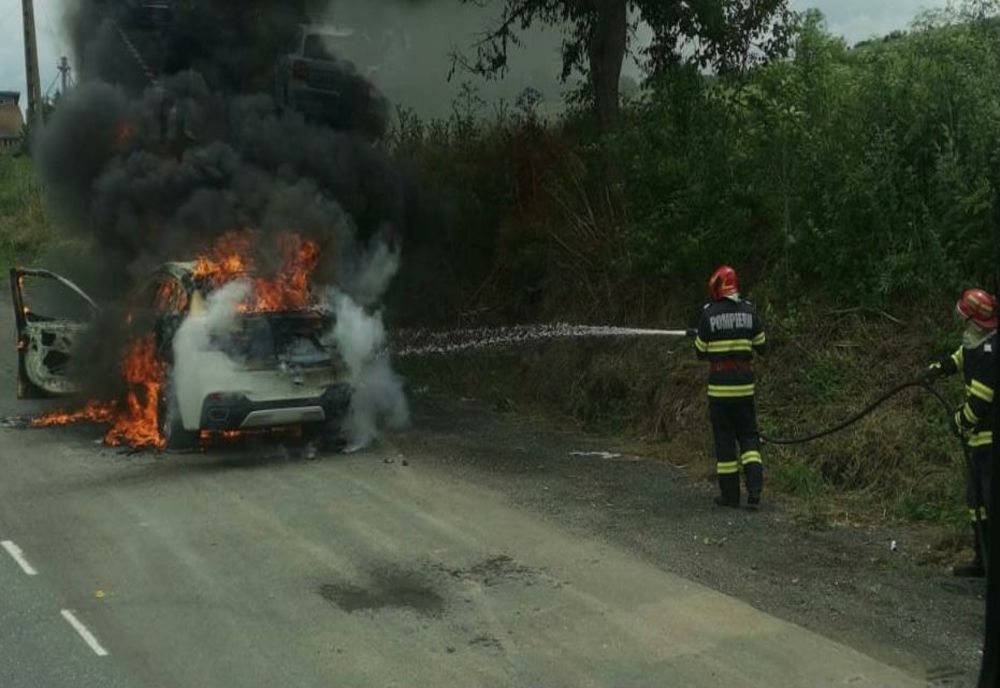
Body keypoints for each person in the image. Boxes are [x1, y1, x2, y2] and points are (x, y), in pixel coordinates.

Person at [921, 288, 997, 577]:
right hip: (979, 442)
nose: (961, 323)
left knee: (989, 503)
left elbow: (979, 403)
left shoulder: (991, 353)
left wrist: (959, 421)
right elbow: (957, 359)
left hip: (990, 442)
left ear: (975, 321)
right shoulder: (975, 344)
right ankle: (981, 560)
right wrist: (935, 370)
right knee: (975, 503)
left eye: (964, 317)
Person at [695, 265, 767, 510]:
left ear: (717, 287)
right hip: (745, 388)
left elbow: (700, 351)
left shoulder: (708, 315)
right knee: (748, 438)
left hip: (719, 391)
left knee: (725, 443)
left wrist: (705, 334)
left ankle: (730, 496)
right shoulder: (749, 311)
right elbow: (762, 344)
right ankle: (755, 491)